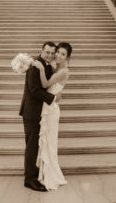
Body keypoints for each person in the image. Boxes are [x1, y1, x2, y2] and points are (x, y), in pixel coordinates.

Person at [19, 42, 62, 192]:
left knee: (37, 144)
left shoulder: (46, 66)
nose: (50, 55)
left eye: (52, 53)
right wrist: (53, 98)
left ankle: (33, 171)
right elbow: (35, 90)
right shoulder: (34, 67)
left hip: (40, 112)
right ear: (41, 51)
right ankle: (29, 179)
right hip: (31, 113)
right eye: (47, 52)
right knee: (31, 146)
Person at [31, 42, 72, 191]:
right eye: (58, 52)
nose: (58, 56)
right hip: (48, 106)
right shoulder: (56, 68)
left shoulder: (63, 71)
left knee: (50, 142)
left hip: (52, 109)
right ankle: (42, 172)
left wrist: (41, 69)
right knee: (46, 141)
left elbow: (45, 83)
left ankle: (50, 174)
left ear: (68, 57)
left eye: (63, 54)